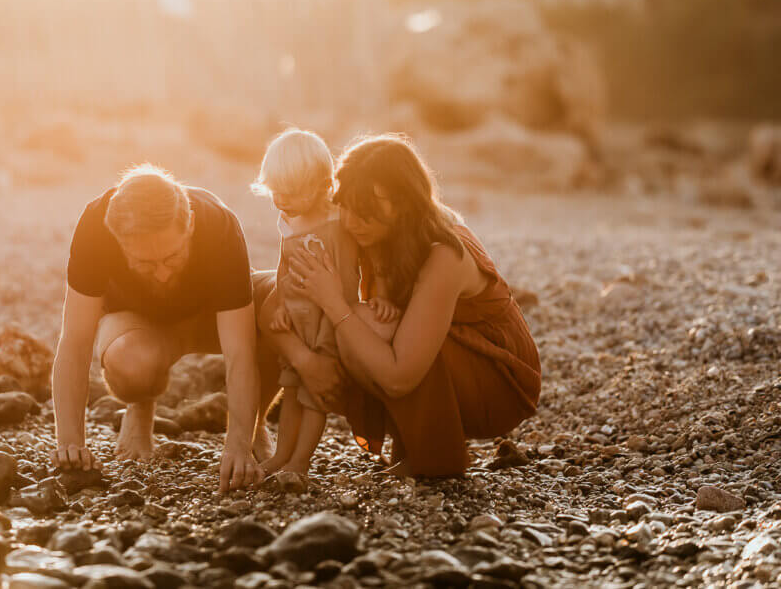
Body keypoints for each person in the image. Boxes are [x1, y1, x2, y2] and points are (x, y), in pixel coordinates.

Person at [258, 134, 542, 477]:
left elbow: (399, 377)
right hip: (444, 351)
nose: (351, 222)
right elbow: (271, 310)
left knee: (361, 325)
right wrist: (306, 362)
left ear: (405, 205)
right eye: (345, 206)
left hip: (498, 382)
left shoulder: (445, 252)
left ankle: (436, 459)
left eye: (367, 213)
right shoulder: (368, 232)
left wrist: (334, 303)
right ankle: (410, 445)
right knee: (356, 326)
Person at [50, 164, 270, 492]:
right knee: (130, 362)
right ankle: (140, 407)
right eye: (145, 263)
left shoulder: (217, 223)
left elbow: (239, 352)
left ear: (189, 224)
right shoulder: (96, 227)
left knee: (285, 306)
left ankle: (256, 423)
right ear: (117, 239)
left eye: (172, 257)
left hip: (208, 317)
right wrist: (70, 444)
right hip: (140, 322)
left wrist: (237, 445)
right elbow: (75, 344)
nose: (163, 274)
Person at [251, 130, 400, 484]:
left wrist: (380, 295)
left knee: (313, 394)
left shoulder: (341, 218)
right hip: (299, 318)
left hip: (332, 318)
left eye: (292, 193)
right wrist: (282, 303)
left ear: (322, 184)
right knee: (291, 388)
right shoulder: (289, 221)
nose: (282, 201)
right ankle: (281, 456)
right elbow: (284, 265)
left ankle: (300, 462)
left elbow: (371, 259)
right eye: (276, 193)